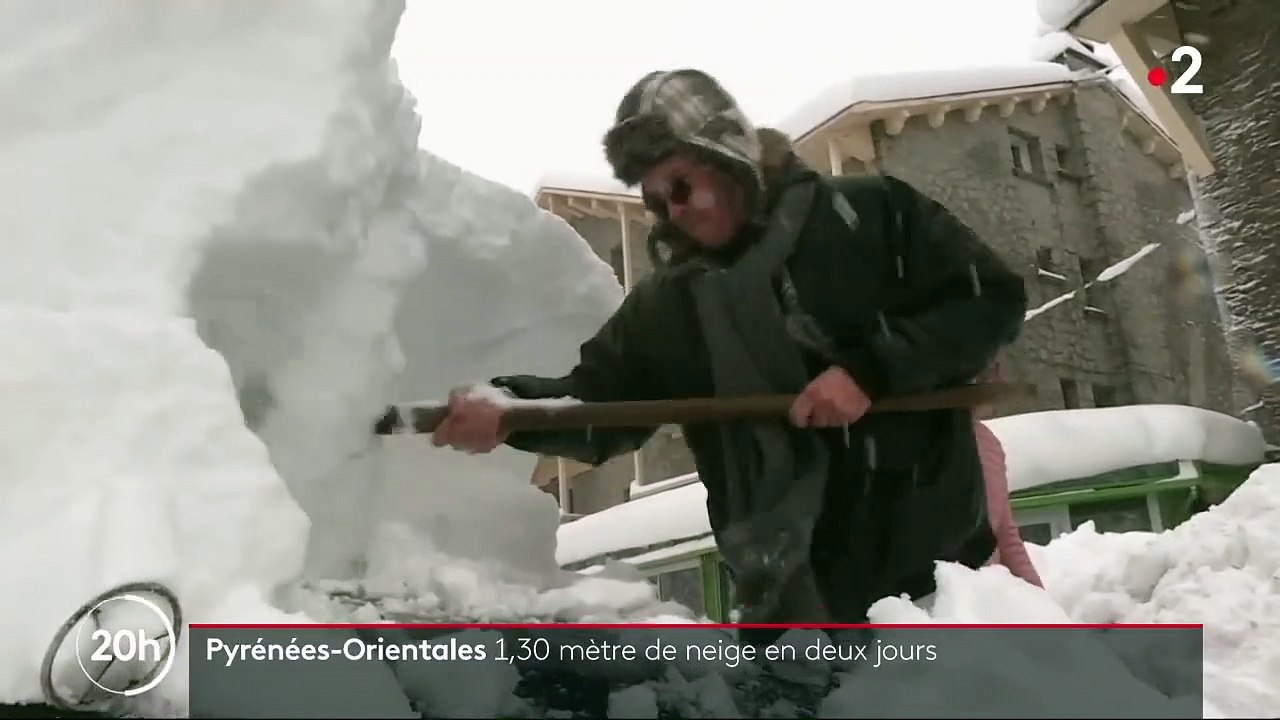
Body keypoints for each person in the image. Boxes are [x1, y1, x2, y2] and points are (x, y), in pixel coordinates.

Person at [431, 69, 1028, 629]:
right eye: (658, 200)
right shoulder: (672, 306)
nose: (674, 211)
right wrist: (509, 410)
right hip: (783, 608)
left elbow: (989, 300)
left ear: (729, 155)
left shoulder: (869, 216)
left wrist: (870, 371)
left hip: (931, 593)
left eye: (682, 186)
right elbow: (597, 403)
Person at [973, 360, 1044, 588]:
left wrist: (1040, 598)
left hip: (987, 595)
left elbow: (1005, 533)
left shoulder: (990, 445)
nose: (1001, 383)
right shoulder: (920, 442)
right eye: (993, 372)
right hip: (933, 600)